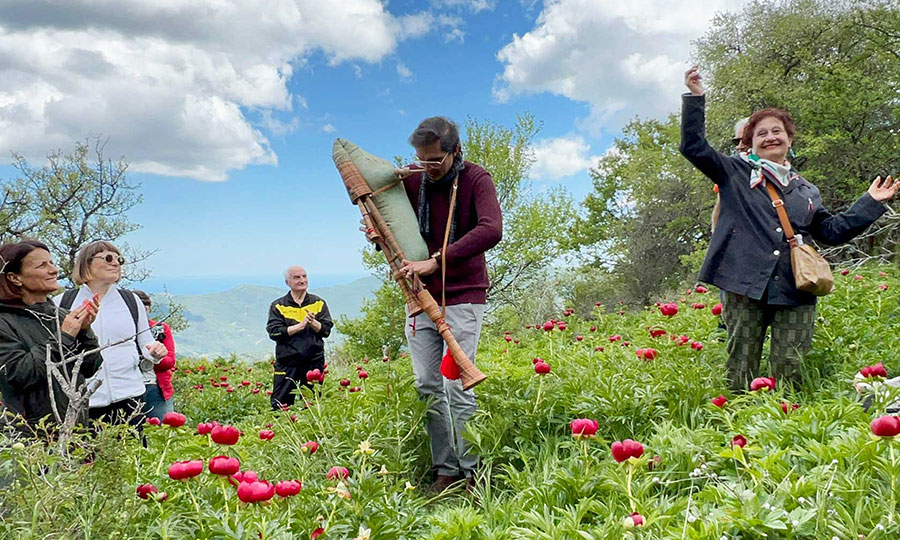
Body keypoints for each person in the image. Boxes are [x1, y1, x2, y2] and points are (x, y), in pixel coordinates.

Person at [680, 66, 898, 391]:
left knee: (790, 364)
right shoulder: (735, 174)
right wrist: (696, 99)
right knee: (741, 364)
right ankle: (739, 429)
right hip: (743, 283)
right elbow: (694, 147)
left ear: (789, 138)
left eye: (777, 131)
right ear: (750, 144)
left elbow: (832, 231)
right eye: (761, 134)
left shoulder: (806, 190)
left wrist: (869, 202)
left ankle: (784, 424)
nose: (770, 137)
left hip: (796, 285)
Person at [393, 116, 502, 492]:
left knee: (456, 386)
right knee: (427, 383)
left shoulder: (475, 179)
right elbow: (399, 229)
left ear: (455, 152)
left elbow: (491, 229)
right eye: (421, 159)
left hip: (462, 293)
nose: (427, 167)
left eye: (435, 160)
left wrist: (438, 260)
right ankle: (446, 468)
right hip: (419, 295)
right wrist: (377, 235)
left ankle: (472, 472)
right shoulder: (412, 180)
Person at [55, 241, 168, 426]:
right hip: (85, 402)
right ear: (86, 263)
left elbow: (145, 342)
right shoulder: (62, 303)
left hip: (131, 395)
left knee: (134, 453)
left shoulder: (130, 300)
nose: (115, 263)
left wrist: (155, 352)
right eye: (108, 258)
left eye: (119, 259)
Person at [0, 240, 103, 433]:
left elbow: (91, 367)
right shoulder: (4, 322)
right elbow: (17, 374)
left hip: (75, 431)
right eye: (42, 265)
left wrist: (84, 330)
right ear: (15, 278)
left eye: (51, 263)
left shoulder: (61, 315)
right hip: (29, 439)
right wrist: (64, 337)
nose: (54, 270)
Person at [266, 266, 333, 410]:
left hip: (313, 363)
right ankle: (282, 431)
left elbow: (326, 331)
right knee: (280, 405)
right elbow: (274, 332)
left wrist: (313, 323)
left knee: (312, 405)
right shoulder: (278, 305)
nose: (302, 280)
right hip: (287, 363)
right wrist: (299, 326)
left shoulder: (318, 303)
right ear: (287, 282)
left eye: (304, 276)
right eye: (297, 277)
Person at [133, 290, 176, 421]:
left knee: (163, 429)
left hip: (156, 388)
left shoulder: (161, 329)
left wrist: (156, 357)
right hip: (129, 388)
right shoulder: (120, 332)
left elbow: (170, 361)